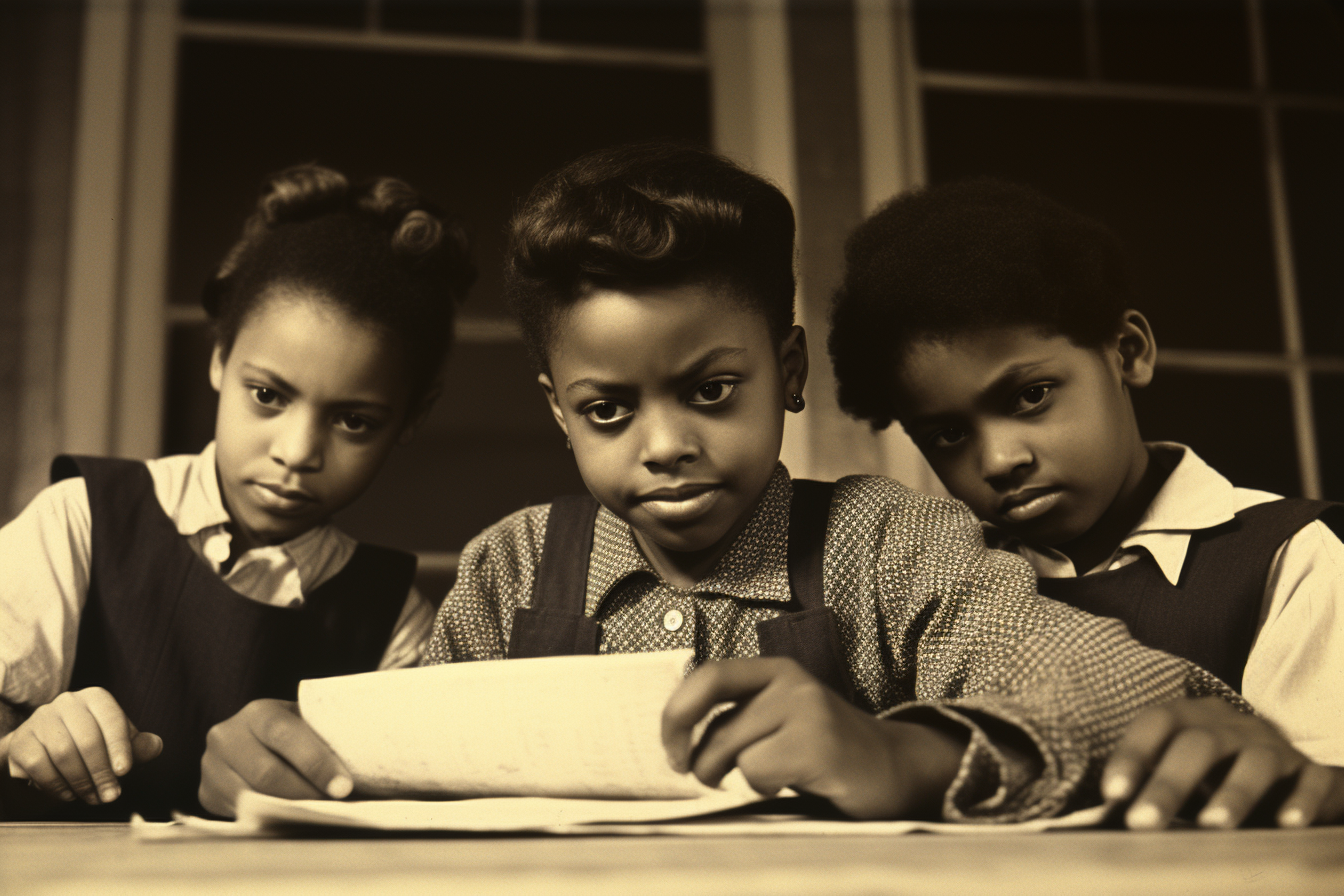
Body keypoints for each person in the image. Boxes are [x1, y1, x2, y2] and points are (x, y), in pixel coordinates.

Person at [828, 177, 1344, 828]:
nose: (998, 460)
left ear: (1128, 352)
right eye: (948, 435)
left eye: (1031, 395)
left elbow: (1326, 796)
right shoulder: (942, 590)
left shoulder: (1286, 556)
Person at [0, 164, 475, 820]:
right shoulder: (82, 518)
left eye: (354, 421)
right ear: (220, 357)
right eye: (269, 396)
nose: (297, 452)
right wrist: (23, 738)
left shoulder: (395, 622)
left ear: (411, 420)